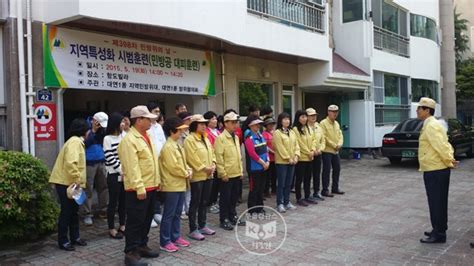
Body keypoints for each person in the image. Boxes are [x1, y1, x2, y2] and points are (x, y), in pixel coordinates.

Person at [118, 106, 160, 265]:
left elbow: (152, 161)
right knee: (135, 221)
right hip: (138, 188)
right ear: (138, 120)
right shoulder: (129, 140)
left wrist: (158, 182)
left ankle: (142, 245)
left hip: (151, 185)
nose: (151, 121)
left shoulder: (146, 135)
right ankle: (131, 252)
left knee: (146, 218)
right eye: (148, 118)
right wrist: (139, 187)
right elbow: (131, 166)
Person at [417, 97, 458, 244]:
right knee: (436, 201)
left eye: (419, 108)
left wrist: (449, 160)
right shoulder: (430, 124)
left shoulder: (431, 126)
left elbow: (441, 145)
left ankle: (439, 234)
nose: (417, 111)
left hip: (436, 170)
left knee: (437, 202)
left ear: (427, 110)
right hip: (434, 168)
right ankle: (438, 228)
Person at [49, 118, 89, 251]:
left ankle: (75, 237)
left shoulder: (75, 141)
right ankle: (63, 240)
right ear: (84, 130)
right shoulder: (75, 142)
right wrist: (78, 180)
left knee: (73, 212)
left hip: (69, 182)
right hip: (66, 183)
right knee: (67, 212)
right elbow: (71, 163)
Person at [159, 117, 192, 252]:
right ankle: (165, 241)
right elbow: (173, 167)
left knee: (177, 212)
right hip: (171, 185)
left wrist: (188, 169)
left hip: (180, 184)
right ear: (172, 131)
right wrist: (186, 172)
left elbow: (183, 163)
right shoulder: (168, 147)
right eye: (179, 130)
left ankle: (175, 236)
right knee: (169, 214)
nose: (182, 133)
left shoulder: (177, 144)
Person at [184, 114, 217, 241]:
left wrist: (213, 164)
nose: (204, 126)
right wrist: (204, 168)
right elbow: (191, 158)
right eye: (201, 124)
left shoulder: (206, 138)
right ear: (194, 125)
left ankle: (203, 225)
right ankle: (193, 229)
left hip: (209, 175)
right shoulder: (189, 139)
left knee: (204, 201)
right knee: (195, 202)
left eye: (205, 123)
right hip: (198, 176)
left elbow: (212, 152)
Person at [215, 111, 245, 230]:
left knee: (234, 198)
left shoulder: (236, 137)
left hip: (236, 172)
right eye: (232, 122)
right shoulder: (220, 138)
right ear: (225, 123)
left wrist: (241, 170)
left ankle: (232, 215)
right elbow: (219, 157)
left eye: (236, 122)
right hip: (227, 174)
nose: (235, 125)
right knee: (225, 198)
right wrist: (222, 173)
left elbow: (239, 156)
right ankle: (224, 219)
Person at [81, 111, 109, 226]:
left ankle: (104, 210)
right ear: (94, 120)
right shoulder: (84, 127)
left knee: (104, 187)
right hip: (89, 162)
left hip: (102, 161)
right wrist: (93, 130)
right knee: (88, 188)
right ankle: (87, 213)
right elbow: (85, 143)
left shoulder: (103, 129)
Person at [103, 112, 126, 240]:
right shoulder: (107, 139)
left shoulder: (124, 136)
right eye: (121, 122)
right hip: (113, 174)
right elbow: (110, 157)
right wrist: (122, 171)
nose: (123, 124)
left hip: (125, 174)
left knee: (124, 201)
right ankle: (111, 228)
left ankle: (122, 225)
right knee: (113, 202)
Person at [273, 112, 300, 213]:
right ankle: (280, 203)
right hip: (282, 162)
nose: (287, 121)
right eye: (284, 119)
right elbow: (280, 148)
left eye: (288, 119)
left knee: (288, 183)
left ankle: (287, 202)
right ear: (280, 121)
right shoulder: (277, 133)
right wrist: (288, 158)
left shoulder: (292, 132)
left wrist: (296, 156)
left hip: (292, 161)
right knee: (281, 183)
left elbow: (296, 145)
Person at [244, 115, 269, 214]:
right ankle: (252, 209)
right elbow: (252, 153)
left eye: (258, 124)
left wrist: (267, 161)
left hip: (263, 167)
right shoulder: (249, 137)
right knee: (254, 188)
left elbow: (265, 149)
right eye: (255, 124)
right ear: (250, 125)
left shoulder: (260, 135)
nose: (258, 126)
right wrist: (263, 163)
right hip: (255, 168)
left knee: (261, 188)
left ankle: (260, 207)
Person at [147, 103, 167, 228]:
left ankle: (157, 211)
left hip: (160, 161)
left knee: (159, 187)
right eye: (155, 111)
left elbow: (163, 143)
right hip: (150, 162)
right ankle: (150, 216)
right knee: (151, 188)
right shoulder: (146, 127)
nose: (157, 114)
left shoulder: (159, 127)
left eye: (158, 111)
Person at [292, 110, 317, 207]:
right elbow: (299, 143)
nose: (304, 119)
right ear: (298, 118)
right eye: (302, 117)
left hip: (310, 157)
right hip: (301, 158)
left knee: (308, 178)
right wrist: (308, 152)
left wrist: (312, 150)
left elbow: (313, 139)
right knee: (299, 179)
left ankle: (307, 196)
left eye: (305, 117)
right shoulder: (295, 129)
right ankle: (299, 198)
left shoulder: (308, 128)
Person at [320, 105, 344, 197]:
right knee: (326, 170)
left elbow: (340, 135)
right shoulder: (323, 123)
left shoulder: (337, 123)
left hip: (336, 151)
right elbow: (324, 137)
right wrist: (334, 145)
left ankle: (335, 188)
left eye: (336, 112)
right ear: (328, 112)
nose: (335, 113)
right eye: (333, 111)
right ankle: (325, 190)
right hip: (327, 150)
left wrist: (340, 144)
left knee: (337, 169)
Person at [306, 108, 326, 201]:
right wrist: (312, 151)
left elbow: (323, 140)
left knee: (317, 174)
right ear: (307, 117)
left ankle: (316, 192)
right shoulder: (304, 127)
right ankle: (307, 194)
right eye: (311, 115)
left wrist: (320, 149)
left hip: (318, 153)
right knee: (308, 175)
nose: (313, 117)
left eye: (315, 115)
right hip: (308, 155)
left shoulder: (318, 126)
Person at [204, 111, 221, 214]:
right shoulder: (206, 132)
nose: (215, 120)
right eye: (213, 119)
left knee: (217, 184)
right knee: (212, 185)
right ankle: (209, 204)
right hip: (212, 161)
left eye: (215, 118)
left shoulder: (218, 132)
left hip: (219, 161)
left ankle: (214, 202)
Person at [262, 116, 277, 197]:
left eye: (272, 124)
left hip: (276, 158)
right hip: (268, 158)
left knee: (274, 175)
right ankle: (266, 191)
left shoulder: (275, 133)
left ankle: (274, 190)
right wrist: (273, 152)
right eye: (269, 124)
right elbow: (265, 146)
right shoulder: (264, 134)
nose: (271, 126)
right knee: (268, 176)